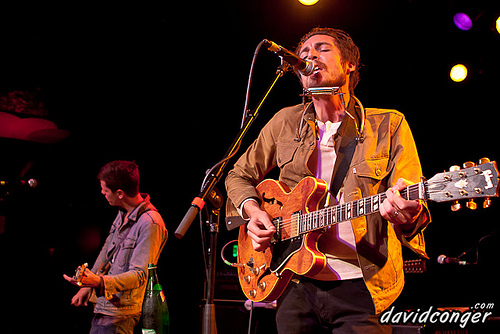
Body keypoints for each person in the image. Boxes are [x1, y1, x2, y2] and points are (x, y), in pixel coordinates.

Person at [225, 27, 431, 333]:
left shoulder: (389, 123)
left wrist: (407, 213)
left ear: (348, 64)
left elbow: (411, 205)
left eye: (321, 49)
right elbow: (237, 175)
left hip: (362, 289)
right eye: (304, 53)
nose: (308, 55)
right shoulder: (284, 121)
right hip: (293, 283)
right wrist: (254, 212)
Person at [63, 160, 168, 334]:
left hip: (121, 313)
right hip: (105, 306)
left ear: (119, 193)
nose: (102, 193)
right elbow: (107, 251)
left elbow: (140, 275)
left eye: (105, 190)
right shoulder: (123, 213)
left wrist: (99, 281)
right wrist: (88, 286)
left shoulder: (150, 223)